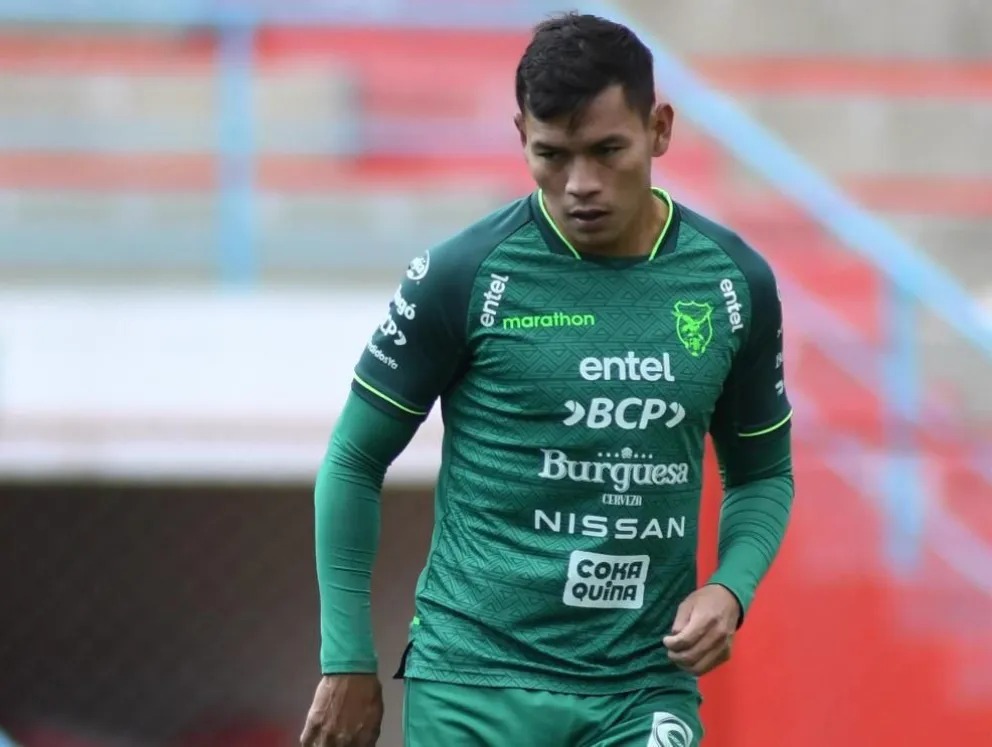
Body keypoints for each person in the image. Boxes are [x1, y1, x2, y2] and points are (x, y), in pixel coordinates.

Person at [300, 11, 795, 747]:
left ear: (659, 129)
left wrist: (731, 586)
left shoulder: (732, 283)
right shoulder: (463, 276)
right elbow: (353, 458)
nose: (581, 184)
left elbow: (762, 475)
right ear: (520, 137)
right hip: (473, 682)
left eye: (607, 150)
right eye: (552, 155)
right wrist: (346, 659)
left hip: (640, 685)